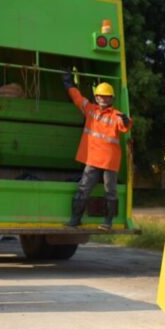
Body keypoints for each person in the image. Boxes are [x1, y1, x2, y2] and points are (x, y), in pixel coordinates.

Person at [62, 73, 132, 230]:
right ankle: (75, 219)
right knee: (83, 188)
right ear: (96, 97)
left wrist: (127, 121)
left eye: (106, 97)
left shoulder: (116, 115)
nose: (103, 99)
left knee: (110, 192)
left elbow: (125, 125)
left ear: (112, 99)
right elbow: (77, 97)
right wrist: (69, 84)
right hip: (93, 159)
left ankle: (107, 222)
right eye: (100, 96)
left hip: (108, 162)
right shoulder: (90, 109)